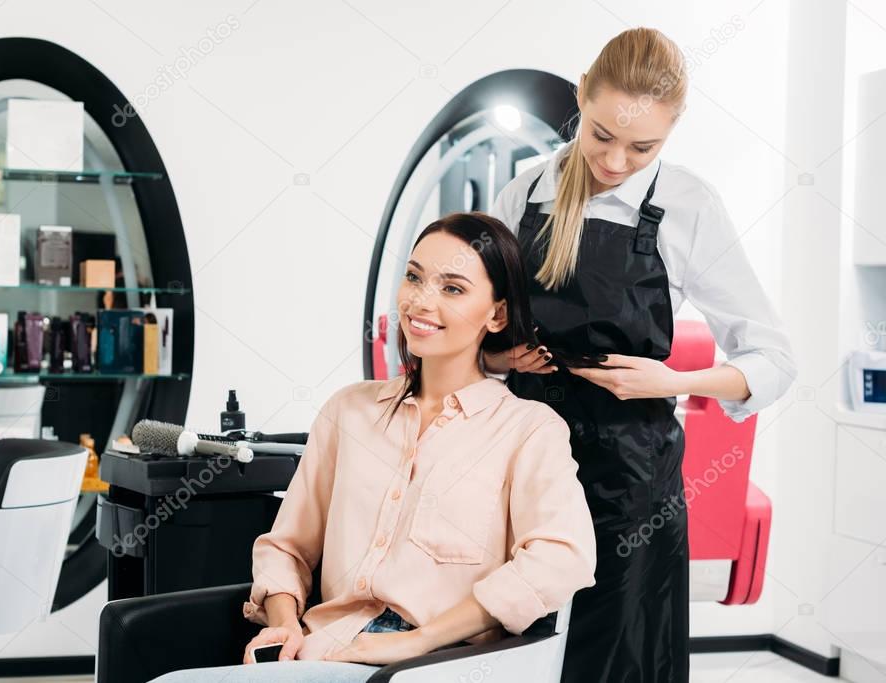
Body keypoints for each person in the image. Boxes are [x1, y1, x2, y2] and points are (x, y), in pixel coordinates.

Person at [149, 212, 596, 682]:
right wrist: (282, 626)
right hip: (323, 652)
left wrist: (419, 640)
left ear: (497, 314)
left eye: (452, 288)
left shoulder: (528, 429)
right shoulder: (349, 411)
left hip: (439, 666)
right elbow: (287, 547)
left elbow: (561, 558)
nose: (421, 302)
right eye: (414, 278)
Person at [485, 27, 797, 682]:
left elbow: (772, 359)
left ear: (673, 130)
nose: (617, 160)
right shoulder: (525, 192)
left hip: (630, 486)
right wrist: (501, 359)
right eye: (601, 135)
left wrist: (672, 379)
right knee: (517, 652)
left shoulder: (688, 207)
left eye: (643, 145)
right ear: (581, 98)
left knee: (617, 661)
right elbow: (478, 326)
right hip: (524, 465)